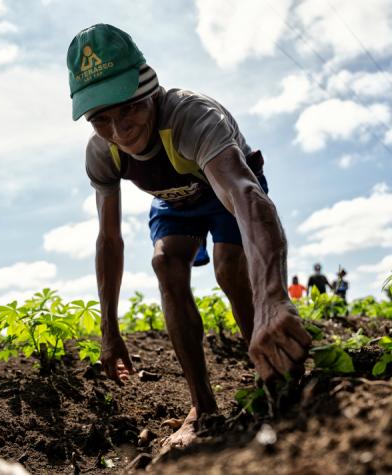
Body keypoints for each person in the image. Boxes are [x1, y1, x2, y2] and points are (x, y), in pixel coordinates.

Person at [66, 24, 311, 448]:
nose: (120, 131)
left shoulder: (192, 117)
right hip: (175, 201)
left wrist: (273, 297)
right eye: (101, 119)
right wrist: (109, 329)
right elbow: (109, 240)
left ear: (150, 90)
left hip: (224, 189)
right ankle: (203, 408)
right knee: (165, 262)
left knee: (230, 269)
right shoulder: (100, 152)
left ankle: (277, 375)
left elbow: (246, 195)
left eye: (129, 110)